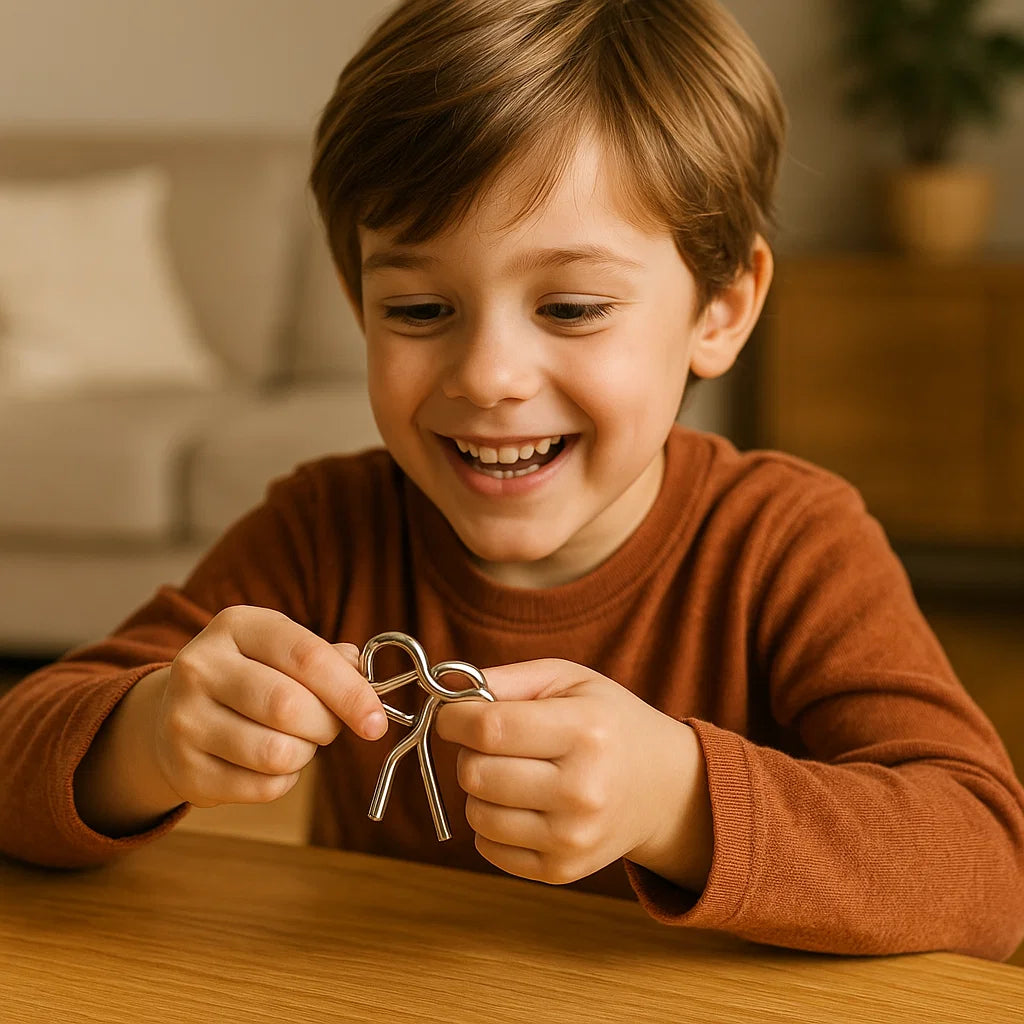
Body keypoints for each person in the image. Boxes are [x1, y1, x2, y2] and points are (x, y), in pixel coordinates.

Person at [1, 0, 1022, 961]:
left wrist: (679, 801)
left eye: (571, 307)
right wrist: (145, 735)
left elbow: (986, 869)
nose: (487, 376)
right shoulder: (322, 528)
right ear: (360, 306)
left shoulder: (787, 542)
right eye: (418, 310)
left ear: (719, 309)